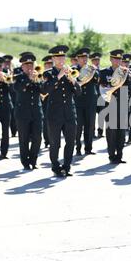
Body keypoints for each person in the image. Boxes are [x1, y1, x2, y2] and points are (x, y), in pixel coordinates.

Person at [44, 45, 81, 177]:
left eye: (63, 57)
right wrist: (58, 77)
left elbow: (78, 92)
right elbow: (44, 90)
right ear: (53, 58)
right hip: (54, 114)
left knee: (71, 141)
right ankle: (55, 166)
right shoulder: (48, 74)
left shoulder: (71, 72)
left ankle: (67, 166)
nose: (61, 60)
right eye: (58, 57)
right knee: (55, 143)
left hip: (69, 113)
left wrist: (73, 81)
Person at [14, 54, 46, 170]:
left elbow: (43, 91)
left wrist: (37, 80)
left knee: (38, 137)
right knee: (24, 139)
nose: (29, 67)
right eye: (26, 65)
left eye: (31, 64)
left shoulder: (38, 77)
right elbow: (19, 89)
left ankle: (33, 160)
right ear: (22, 67)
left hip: (36, 112)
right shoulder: (18, 77)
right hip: (22, 113)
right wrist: (29, 79)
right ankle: (25, 162)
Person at [99, 50, 130, 164]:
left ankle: (120, 155)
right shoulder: (104, 72)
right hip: (109, 104)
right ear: (111, 60)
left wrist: (128, 75)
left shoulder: (125, 72)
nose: (117, 61)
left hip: (122, 103)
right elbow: (102, 87)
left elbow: (129, 87)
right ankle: (111, 155)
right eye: (115, 59)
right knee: (111, 131)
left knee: (121, 132)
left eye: (119, 59)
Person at [74, 48, 99, 156]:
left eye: (86, 58)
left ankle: (88, 148)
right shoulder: (74, 70)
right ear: (78, 59)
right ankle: (78, 147)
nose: (84, 60)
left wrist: (94, 71)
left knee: (90, 125)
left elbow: (97, 80)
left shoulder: (92, 69)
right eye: (82, 58)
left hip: (90, 101)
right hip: (78, 101)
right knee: (78, 126)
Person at [40, 55, 53, 148]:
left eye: (50, 64)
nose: (49, 65)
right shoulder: (42, 74)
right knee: (46, 121)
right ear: (44, 65)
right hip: (45, 100)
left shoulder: (54, 74)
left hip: (53, 99)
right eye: (47, 64)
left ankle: (52, 139)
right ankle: (46, 140)